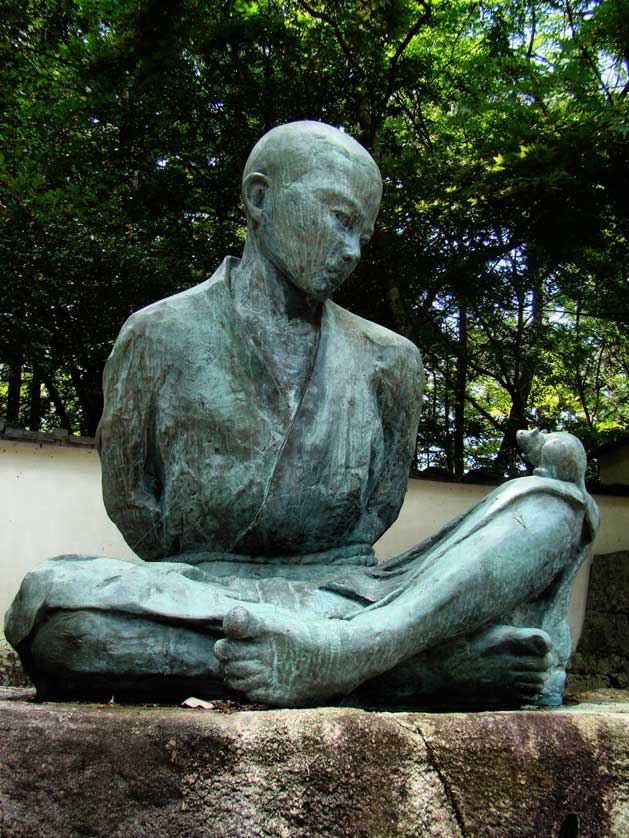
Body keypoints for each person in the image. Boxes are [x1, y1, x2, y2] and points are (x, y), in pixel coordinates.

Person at [5, 122, 598, 708]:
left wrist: (363, 618)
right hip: (201, 594)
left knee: (553, 507)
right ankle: (418, 668)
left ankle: (356, 651)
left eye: (363, 233)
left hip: (358, 596)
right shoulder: (158, 335)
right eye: (339, 218)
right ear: (260, 198)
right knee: (57, 613)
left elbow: (379, 508)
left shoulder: (390, 361)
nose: (353, 250)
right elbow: (133, 500)